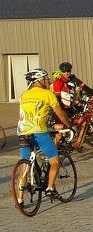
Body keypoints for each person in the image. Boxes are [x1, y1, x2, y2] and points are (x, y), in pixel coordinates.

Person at [16, 69, 74, 201]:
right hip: (39, 131)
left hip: (22, 132)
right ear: (39, 80)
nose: (49, 81)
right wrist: (70, 126)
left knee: (25, 166)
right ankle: (50, 189)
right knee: (54, 161)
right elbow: (59, 113)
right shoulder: (48, 94)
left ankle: (19, 199)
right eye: (46, 79)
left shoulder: (24, 95)